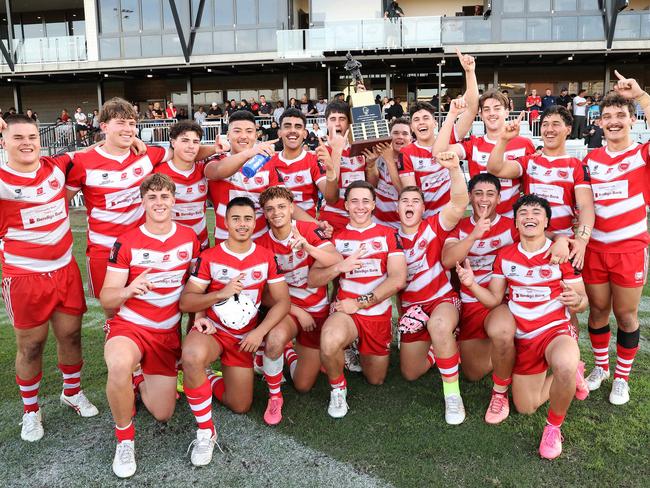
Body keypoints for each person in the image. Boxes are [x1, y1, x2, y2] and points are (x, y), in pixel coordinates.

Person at [457, 194, 589, 460]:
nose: (530, 216)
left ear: (546, 221)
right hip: (523, 336)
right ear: (515, 223)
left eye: (536, 212)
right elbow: (494, 300)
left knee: (563, 362)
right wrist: (471, 284)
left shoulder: (561, 254)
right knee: (526, 407)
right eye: (523, 213)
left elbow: (583, 301)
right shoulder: (505, 257)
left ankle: (553, 428)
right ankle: (575, 372)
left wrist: (577, 301)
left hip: (554, 331)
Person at [0, 115, 98, 444]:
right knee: (30, 346)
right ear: (4, 142)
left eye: (31, 136)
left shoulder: (57, 166)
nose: (26, 142)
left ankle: (72, 393)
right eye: (17, 138)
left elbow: (97, 149)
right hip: (25, 277)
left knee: (70, 337)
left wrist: (138, 141)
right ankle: (31, 410)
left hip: (65, 270)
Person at [66, 97, 219, 303]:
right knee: (112, 308)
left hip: (143, 248)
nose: (128, 129)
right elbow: (60, 203)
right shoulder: (83, 162)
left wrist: (216, 149)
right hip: (103, 249)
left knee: (149, 303)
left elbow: (185, 152)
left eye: (131, 124)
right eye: (120, 123)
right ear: (103, 126)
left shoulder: (147, 155)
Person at [100, 173, 200, 477]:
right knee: (118, 364)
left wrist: (199, 323)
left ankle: (139, 377)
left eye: (165, 196)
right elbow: (106, 297)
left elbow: (196, 289)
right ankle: (125, 440)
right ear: (143, 201)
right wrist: (129, 290)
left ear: (174, 200)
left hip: (166, 332)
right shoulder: (127, 241)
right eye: (152, 197)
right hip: (131, 326)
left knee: (163, 412)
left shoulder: (189, 238)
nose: (159, 202)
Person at [179, 196, 290, 465]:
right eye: (236, 218)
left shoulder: (265, 257)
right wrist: (220, 294)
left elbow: (283, 301)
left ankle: (208, 377)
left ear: (255, 222)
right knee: (192, 355)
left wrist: (260, 333)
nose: (242, 224)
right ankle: (206, 431)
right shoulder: (209, 256)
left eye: (248, 219)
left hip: (246, 338)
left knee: (240, 405)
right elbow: (186, 301)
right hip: (214, 331)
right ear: (226, 222)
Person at [310, 181, 407, 418]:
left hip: (375, 314)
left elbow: (397, 280)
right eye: (354, 201)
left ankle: (355, 348)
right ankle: (338, 389)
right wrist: (338, 267)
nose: (360, 206)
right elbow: (313, 278)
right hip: (346, 312)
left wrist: (361, 303)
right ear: (346, 205)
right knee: (329, 339)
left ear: (374, 204)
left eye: (365, 201)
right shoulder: (336, 239)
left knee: (376, 379)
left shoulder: (388, 235)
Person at [581, 72, 650, 405]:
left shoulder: (642, 156)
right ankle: (601, 368)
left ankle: (621, 378)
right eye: (607, 116)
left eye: (620, 116)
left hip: (629, 250)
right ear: (600, 123)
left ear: (632, 120)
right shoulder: (590, 160)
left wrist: (641, 96)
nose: (613, 121)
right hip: (595, 249)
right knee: (596, 311)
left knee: (625, 315)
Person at [256, 186, 342, 423]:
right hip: (290, 310)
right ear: (264, 213)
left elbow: (336, 260)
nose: (276, 213)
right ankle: (275, 397)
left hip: (319, 309)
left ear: (292, 208)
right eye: (270, 209)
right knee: (274, 340)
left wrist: (308, 247)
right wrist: (296, 311)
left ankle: (290, 353)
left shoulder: (307, 229)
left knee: (304, 385)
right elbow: (262, 295)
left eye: (282, 207)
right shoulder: (262, 244)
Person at [397, 152, 469, 425]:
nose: (410, 204)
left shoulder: (434, 226)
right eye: (405, 200)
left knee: (439, 326)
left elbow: (460, 201)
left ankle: (452, 395)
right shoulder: (389, 238)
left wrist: (453, 169)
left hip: (442, 300)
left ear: (423, 208)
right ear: (397, 208)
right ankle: (444, 347)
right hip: (413, 310)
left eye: (416, 200)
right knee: (410, 373)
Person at [441, 174, 519, 424]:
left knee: (502, 331)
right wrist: (474, 235)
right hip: (471, 301)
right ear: (470, 197)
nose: (484, 199)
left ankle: (501, 389)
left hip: (501, 300)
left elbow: (537, 244)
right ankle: (510, 356)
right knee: (473, 373)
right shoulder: (460, 227)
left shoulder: (511, 226)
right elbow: (447, 260)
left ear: (499, 197)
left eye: (490, 194)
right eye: (478, 193)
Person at [487, 106, 595, 267]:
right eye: (545, 124)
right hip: (530, 243)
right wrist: (503, 140)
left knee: (565, 291)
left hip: (563, 246)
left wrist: (581, 240)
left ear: (568, 129)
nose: (549, 129)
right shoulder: (529, 162)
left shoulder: (577, 166)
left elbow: (586, 205)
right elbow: (495, 168)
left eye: (556, 124)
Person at [398, 50, 478, 218]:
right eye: (416, 119)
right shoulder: (407, 153)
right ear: (412, 127)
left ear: (434, 123)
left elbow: (471, 110)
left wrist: (470, 72)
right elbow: (411, 193)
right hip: (426, 219)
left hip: (451, 215)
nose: (421, 122)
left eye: (426, 118)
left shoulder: (448, 135)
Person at [433, 89, 536, 217]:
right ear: (481, 115)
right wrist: (452, 114)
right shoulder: (474, 144)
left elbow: (529, 184)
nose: (491, 113)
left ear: (507, 112)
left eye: (497, 108)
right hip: (481, 224)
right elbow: (438, 153)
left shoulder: (525, 144)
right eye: (486, 109)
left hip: (512, 225)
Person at [154, 120, 211, 250]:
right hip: (170, 247)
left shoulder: (205, 169)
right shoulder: (156, 171)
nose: (191, 146)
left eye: (195, 142)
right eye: (185, 140)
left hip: (201, 244)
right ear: (173, 142)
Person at [317, 101, 367, 231]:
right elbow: (330, 195)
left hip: (360, 217)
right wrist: (337, 151)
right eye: (333, 119)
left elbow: (372, 183)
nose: (337, 123)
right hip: (332, 218)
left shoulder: (360, 148)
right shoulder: (321, 151)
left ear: (349, 123)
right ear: (326, 123)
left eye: (342, 119)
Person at [364, 117, 411, 229]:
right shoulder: (380, 155)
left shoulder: (413, 159)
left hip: (403, 226)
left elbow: (405, 193)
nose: (400, 136)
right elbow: (372, 185)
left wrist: (389, 159)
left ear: (411, 138)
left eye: (405, 133)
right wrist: (371, 164)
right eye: (395, 133)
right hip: (378, 223)